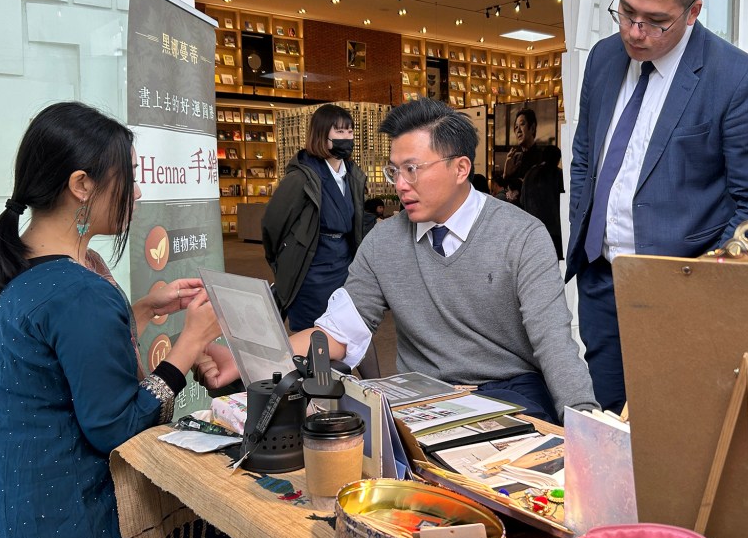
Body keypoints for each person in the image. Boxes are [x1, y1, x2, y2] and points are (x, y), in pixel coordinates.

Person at [0, 102, 221, 538]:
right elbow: (117, 426)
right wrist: (190, 343)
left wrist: (142, 310)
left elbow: (56, 362)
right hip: (53, 531)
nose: (137, 191)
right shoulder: (80, 291)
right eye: (128, 176)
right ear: (81, 185)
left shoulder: (13, 265)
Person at [207, 99, 598, 423]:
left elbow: (554, 343)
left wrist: (584, 421)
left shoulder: (521, 235)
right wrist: (248, 362)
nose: (399, 185)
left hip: (510, 391)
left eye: (412, 169)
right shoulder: (384, 242)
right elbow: (337, 334)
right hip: (423, 397)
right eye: (394, 170)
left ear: (460, 168)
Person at [566, 0, 748, 412]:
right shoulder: (603, 58)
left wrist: (699, 286)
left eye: (656, 22)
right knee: (607, 418)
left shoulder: (738, 79)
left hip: (682, 291)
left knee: (673, 424)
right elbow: (585, 156)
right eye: (626, 12)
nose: (635, 32)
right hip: (601, 280)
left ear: (693, 11)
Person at [262, 104, 366, 331]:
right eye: (339, 132)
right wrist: (283, 262)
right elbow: (273, 224)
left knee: (346, 329)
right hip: (311, 269)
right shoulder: (301, 177)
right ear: (321, 134)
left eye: (350, 132)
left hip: (344, 264)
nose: (346, 138)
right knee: (313, 334)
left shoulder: (353, 175)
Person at [521, 145, 565, 260]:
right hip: (554, 231)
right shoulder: (558, 174)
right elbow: (564, 202)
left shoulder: (529, 174)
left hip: (532, 229)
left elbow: (522, 200)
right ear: (557, 159)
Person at [502, 107, 543, 181]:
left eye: (522, 124)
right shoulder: (516, 158)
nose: (518, 130)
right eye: (516, 127)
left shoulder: (542, 158)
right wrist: (506, 175)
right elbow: (507, 186)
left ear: (532, 128)